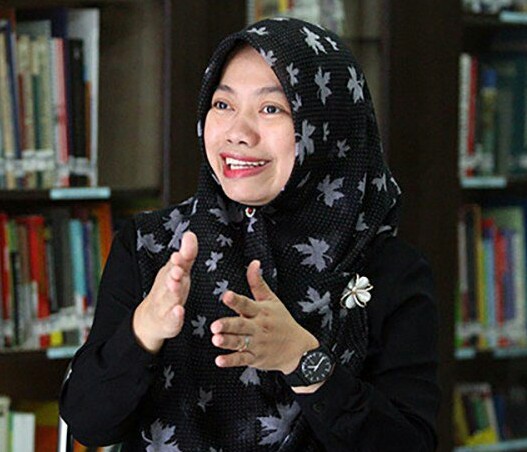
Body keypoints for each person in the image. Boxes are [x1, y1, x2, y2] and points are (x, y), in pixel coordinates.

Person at [60, 17, 440, 451]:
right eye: (223, 104)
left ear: (328, 125)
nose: (238, 134)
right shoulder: (153, 245)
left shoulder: (389, 267)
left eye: (271, 109)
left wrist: (302, 360)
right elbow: (88, 424)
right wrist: (142, 330)